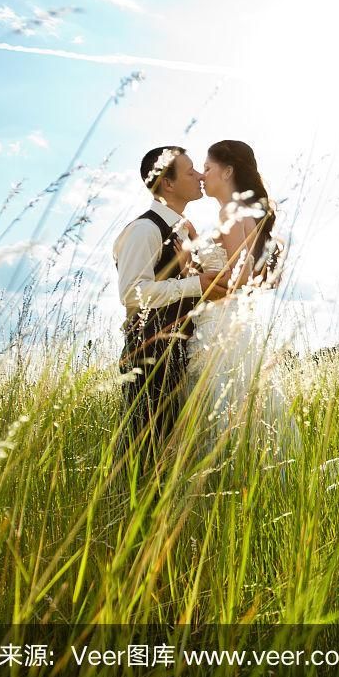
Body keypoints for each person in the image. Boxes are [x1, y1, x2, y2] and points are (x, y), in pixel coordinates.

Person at [184, 139, 300, 464]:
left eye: (207, 168)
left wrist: (192, 271)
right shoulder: (242, 213)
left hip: (219, 326)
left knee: (219, 406)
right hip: (233, 321)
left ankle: (225, 470)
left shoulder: (231, 213)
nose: (202, 175)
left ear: (227, 171)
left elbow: (239, 278)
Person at [113, 146, 228, 471]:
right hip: (150, 355)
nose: (199, 175)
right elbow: (132, 293)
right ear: (168, 183)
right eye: (190, 171)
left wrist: (198, 274)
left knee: (173, 454)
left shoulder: (185, 231)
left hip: (180, 351)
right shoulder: (145, 229)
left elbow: (215, 285)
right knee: (144, 452)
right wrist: (195, 284)